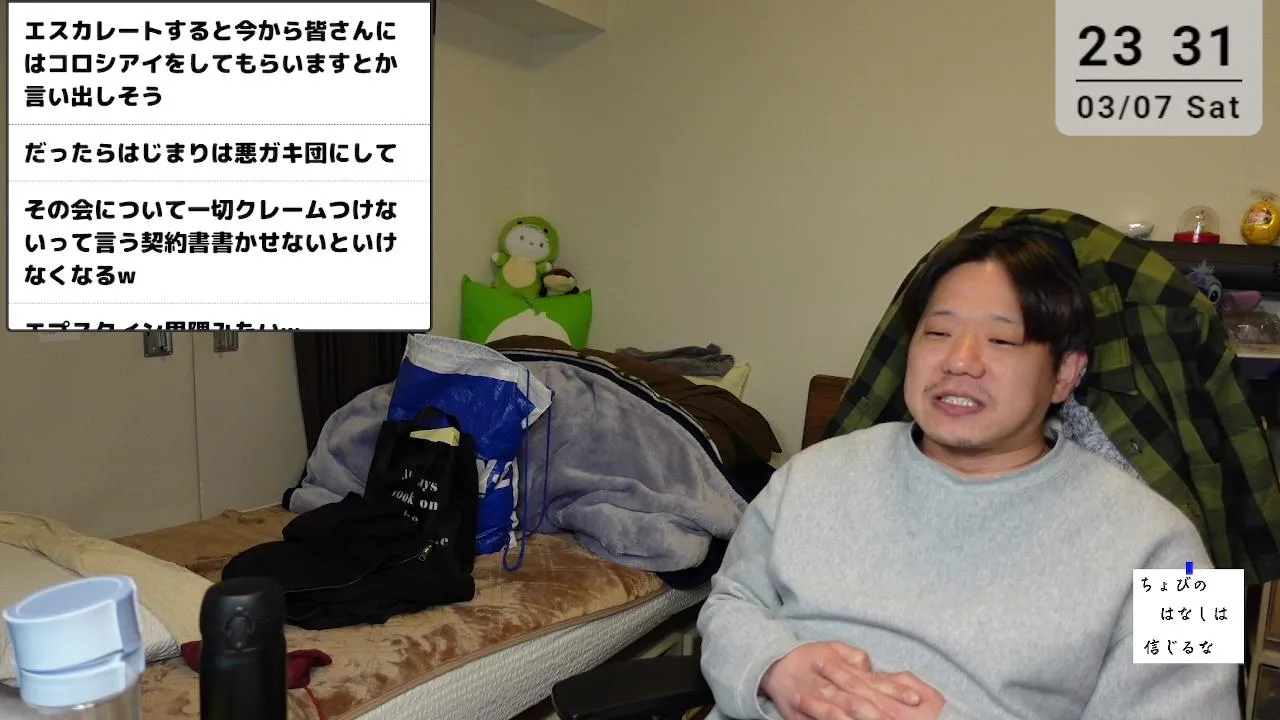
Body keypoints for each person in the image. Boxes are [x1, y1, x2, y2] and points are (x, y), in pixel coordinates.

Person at [696, 227, 1242, 720]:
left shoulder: (1172, 549)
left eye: (1002, 340)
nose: (959, 360)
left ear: (1066, 373)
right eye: (938, 333)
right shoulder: (813, 474)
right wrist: (773, 666)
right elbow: (730, 601)